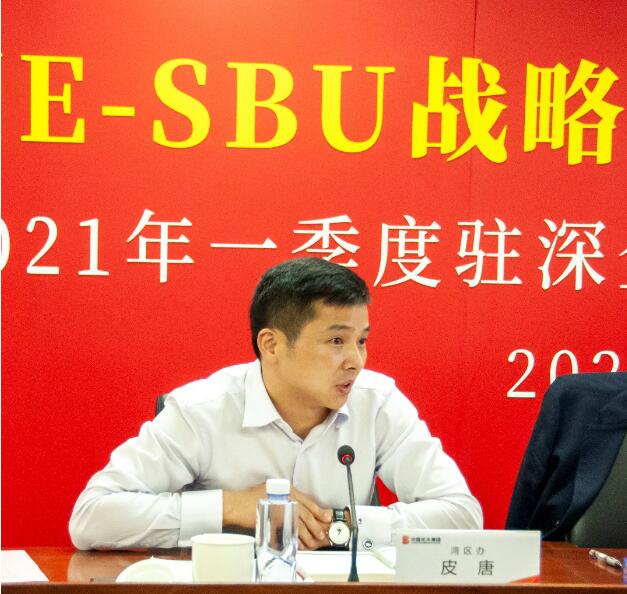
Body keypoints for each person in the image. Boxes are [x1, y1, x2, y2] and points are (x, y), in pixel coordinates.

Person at [69, 257, 482, 550]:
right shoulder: (201, 410)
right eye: (336, 340)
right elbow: (92, 517)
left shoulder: (378, 403)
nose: (356, 360)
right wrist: (233, 506)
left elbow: (462, 515)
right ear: (271, 345)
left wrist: (341, 524)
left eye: (361, 340)